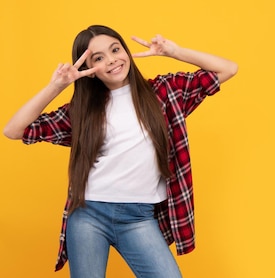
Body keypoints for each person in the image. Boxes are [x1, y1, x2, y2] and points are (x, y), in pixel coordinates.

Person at [3, 25, 238, 277]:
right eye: (99, 58)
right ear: (89, 71)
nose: (112, 60)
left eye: (115, 49)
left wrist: (174, 51)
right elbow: (14, 130)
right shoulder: (82, 110)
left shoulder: (164, 92)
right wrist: (57, 86)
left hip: (139, 217)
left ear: (125, 50)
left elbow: (228, 69)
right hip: (89, 215)